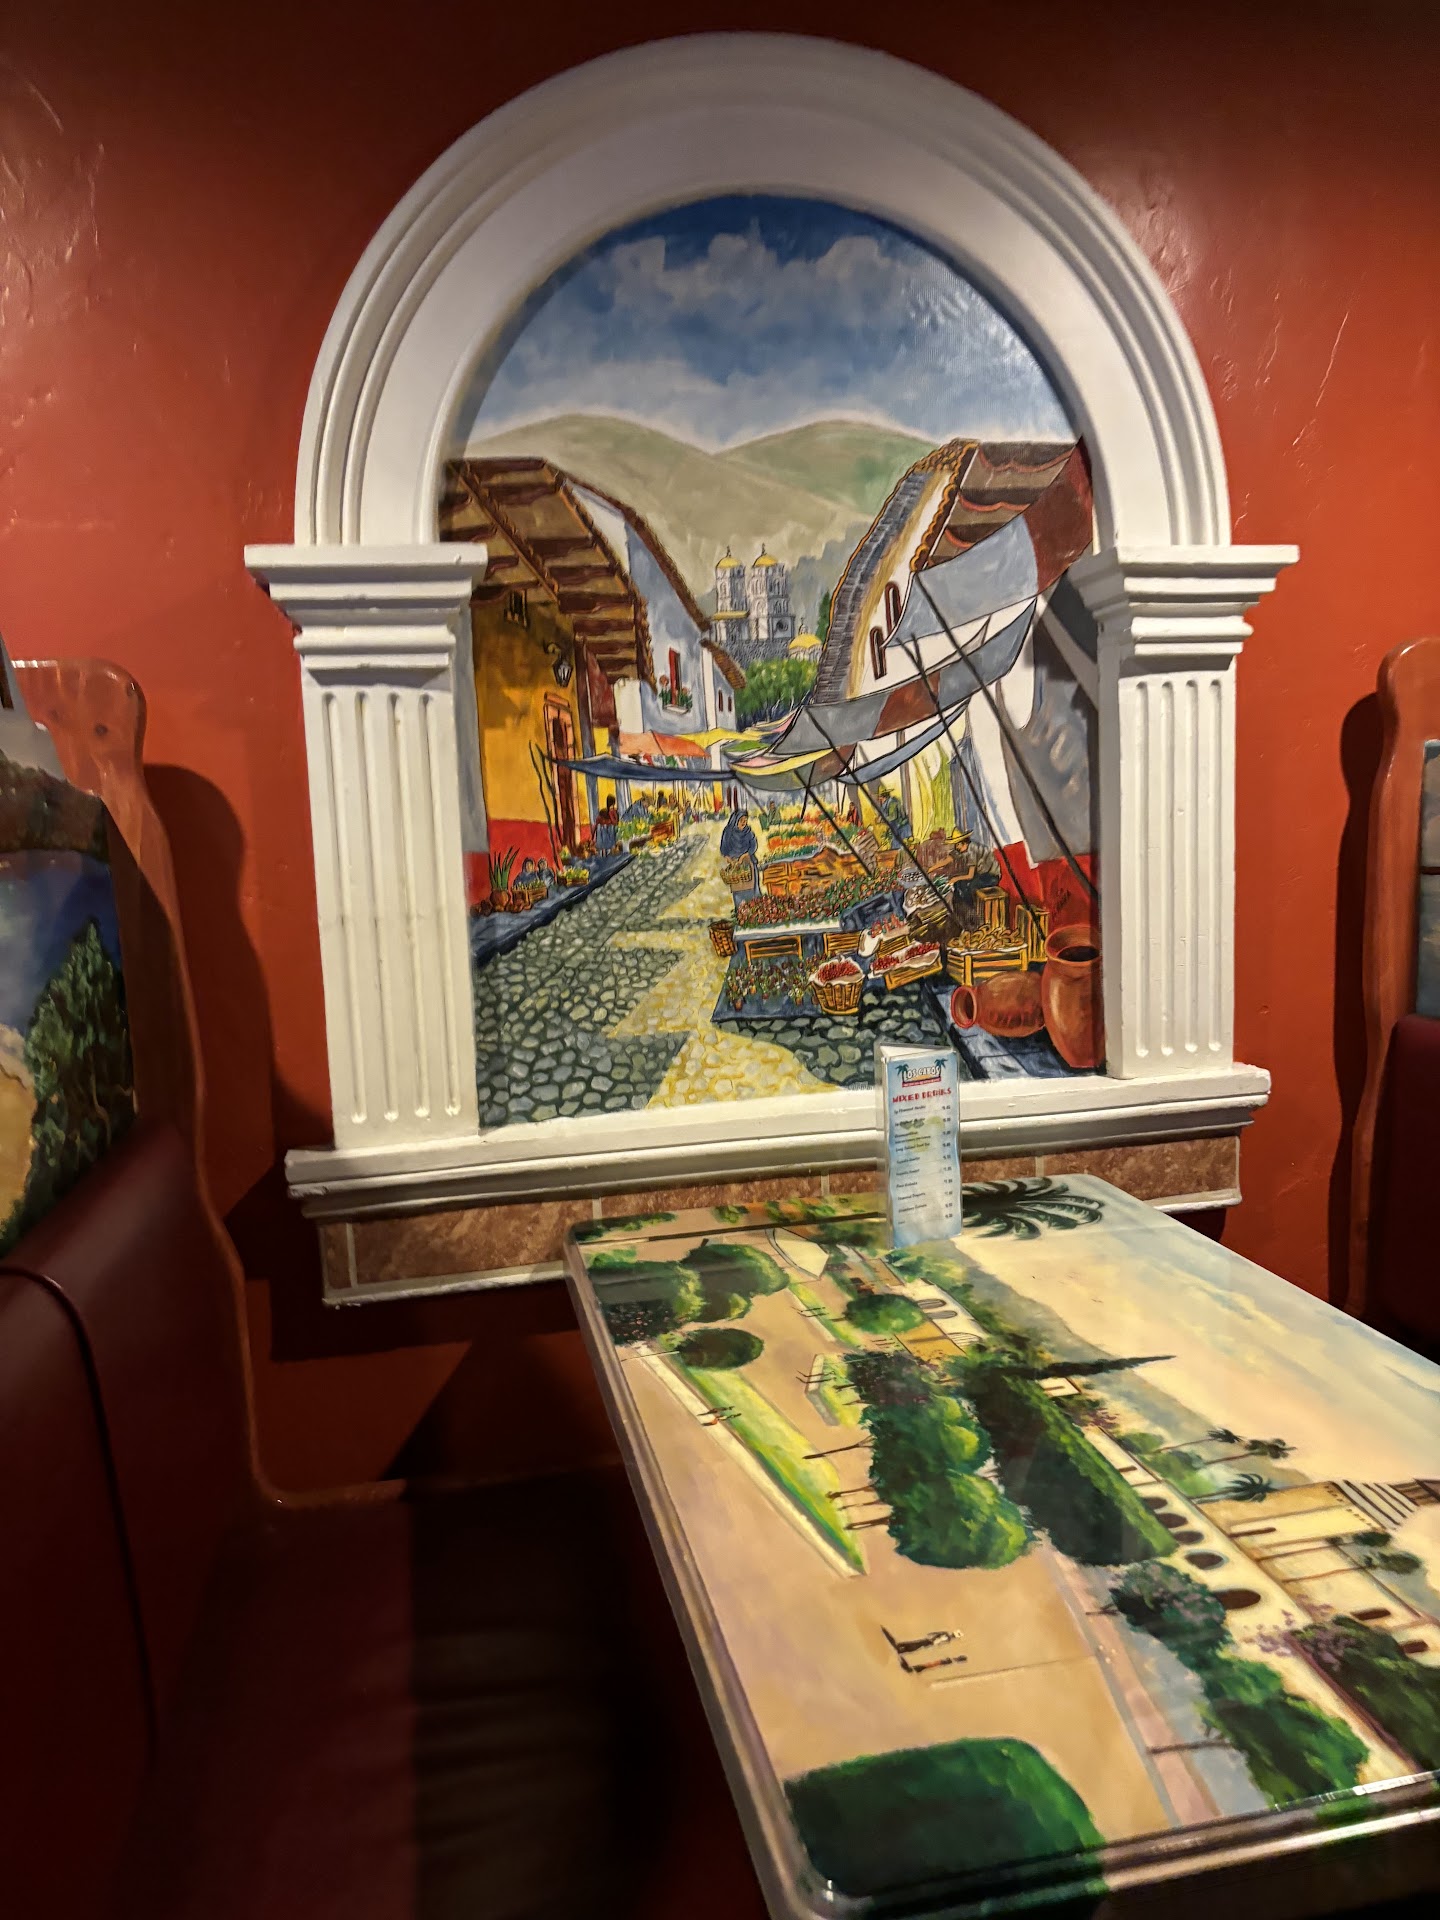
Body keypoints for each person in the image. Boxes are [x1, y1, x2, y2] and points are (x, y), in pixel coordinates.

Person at [594, 794, 620, 858]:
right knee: (601, 828)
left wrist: (611, 814)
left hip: (610, 833)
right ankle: (603, 853)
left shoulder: (614, 812)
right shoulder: (603, 812)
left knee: (610, 828)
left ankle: (608, 853)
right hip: (603, 834)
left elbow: (615, 823)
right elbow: (597, 822)